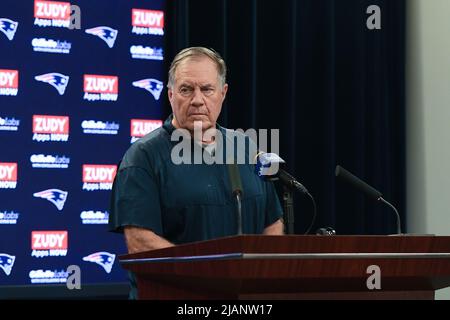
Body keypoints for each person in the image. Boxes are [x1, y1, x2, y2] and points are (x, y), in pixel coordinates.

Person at [109, 47, 284, 299]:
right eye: (186, 89)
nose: (198, 99)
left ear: (223, 94)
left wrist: (259, 276)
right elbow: (140, 242)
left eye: (207, 89)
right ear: (170, 95)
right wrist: (209, 278)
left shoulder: (248, 148)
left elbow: (272, 221)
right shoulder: (143, 156)